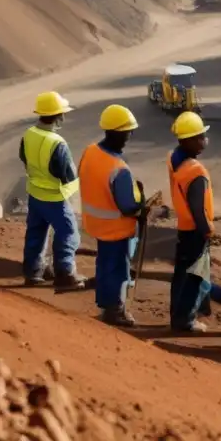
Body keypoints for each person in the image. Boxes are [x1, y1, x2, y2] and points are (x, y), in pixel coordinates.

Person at [79, 104, 145, 327]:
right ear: (118, 132)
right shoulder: (119, 168)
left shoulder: (90, 152)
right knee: (119, 270)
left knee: (104, 264)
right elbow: (127, 206)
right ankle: (115, 310)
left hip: (96, 224)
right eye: (128, 131)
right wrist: (142, 204)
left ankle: (105, 303)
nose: (129, 136)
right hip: (116, 229)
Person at [20, 91, 86, 291]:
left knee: (36, 233)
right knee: (68, 233)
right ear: (58, 116)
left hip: (35, 194)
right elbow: (68, 174)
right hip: (54, 197)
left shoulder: (29, 134)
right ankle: (65, 272)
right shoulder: (58, 143)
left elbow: (24, 158)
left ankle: (33, 272)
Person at [168, 111, 221, 333]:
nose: (204, 141)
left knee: (182, 274)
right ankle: (185, 320)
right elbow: (198, 209)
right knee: (194, 276)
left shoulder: (175, 158)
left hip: (184, 227)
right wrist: (207, 230)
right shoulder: (195, 172)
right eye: (200, 137)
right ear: (188, 141)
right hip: (195, 232)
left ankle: (179, 313)